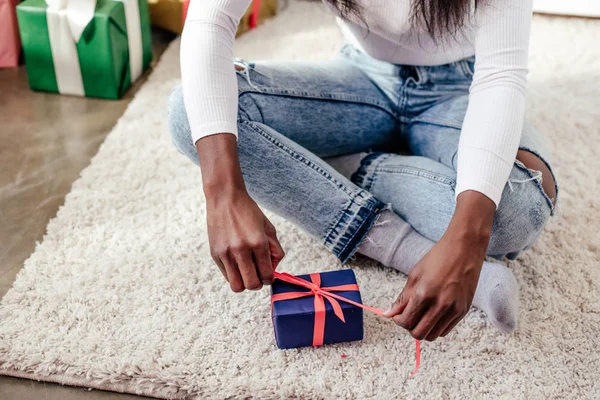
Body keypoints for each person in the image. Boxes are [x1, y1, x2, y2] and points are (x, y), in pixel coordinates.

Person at [167, 0, 558, 342]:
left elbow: (500, 75)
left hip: (465, 86)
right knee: (191, 114)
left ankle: (328, 166)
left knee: (514, 213)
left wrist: (466, 242)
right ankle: (404, 247)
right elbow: (209, 21)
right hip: (364, 76)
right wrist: (222, 194)